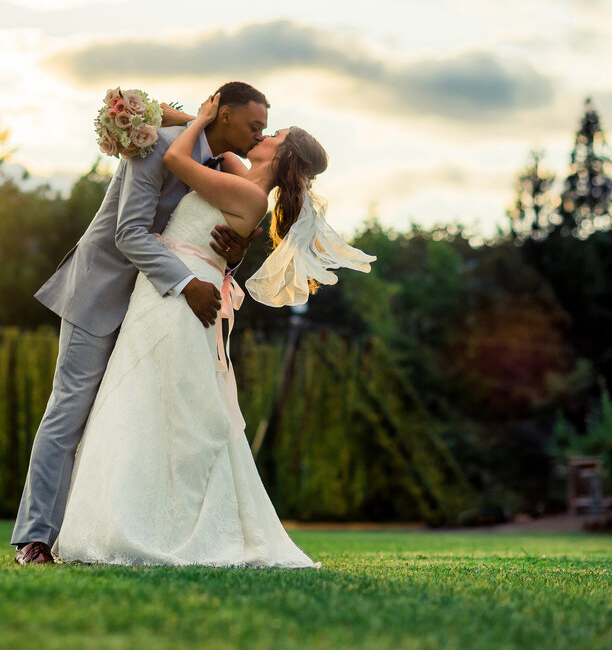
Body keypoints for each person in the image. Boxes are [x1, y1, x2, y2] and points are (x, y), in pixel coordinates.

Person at [51, 93, 375, 567]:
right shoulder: (241, 178)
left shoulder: (246, 193)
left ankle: (150, 525)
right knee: (143, 398)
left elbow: (177, 156)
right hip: (165, 287)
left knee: (157, 400)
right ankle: (128, 516)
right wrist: (199, 115)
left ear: (282, 154)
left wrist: (205, 117)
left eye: (274, 134)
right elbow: (215, 142)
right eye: (261, 127)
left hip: (180, 295)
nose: (263, 135)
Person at [11, 82, 273, 565]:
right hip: (103, 294)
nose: (261, 134)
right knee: (68, 413)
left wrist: (233, 257)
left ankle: (99, 532)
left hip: (151, 311)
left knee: (123, 422)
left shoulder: (217, 169)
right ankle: (35, 539)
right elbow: (127, 232)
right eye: (254, 125)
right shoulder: (153, 146)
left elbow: (202, 244)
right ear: (225, 114)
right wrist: (185, 283)